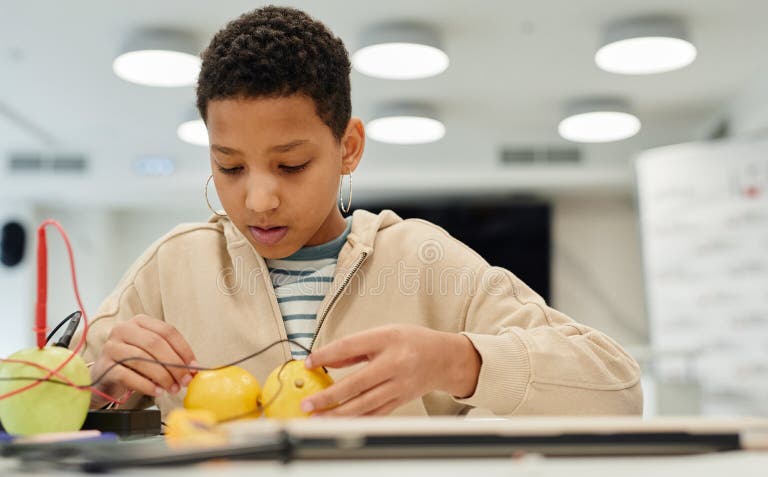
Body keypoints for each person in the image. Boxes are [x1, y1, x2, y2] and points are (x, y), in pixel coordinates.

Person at [78, 6, 642, 418]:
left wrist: (458, 360)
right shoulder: (173, 266)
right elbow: (40, 397)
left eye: (292, 165)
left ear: (348, 147)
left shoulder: (425, 260)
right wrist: (98, 380)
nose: (258, 199)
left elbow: (618, 391)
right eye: (230, 167)